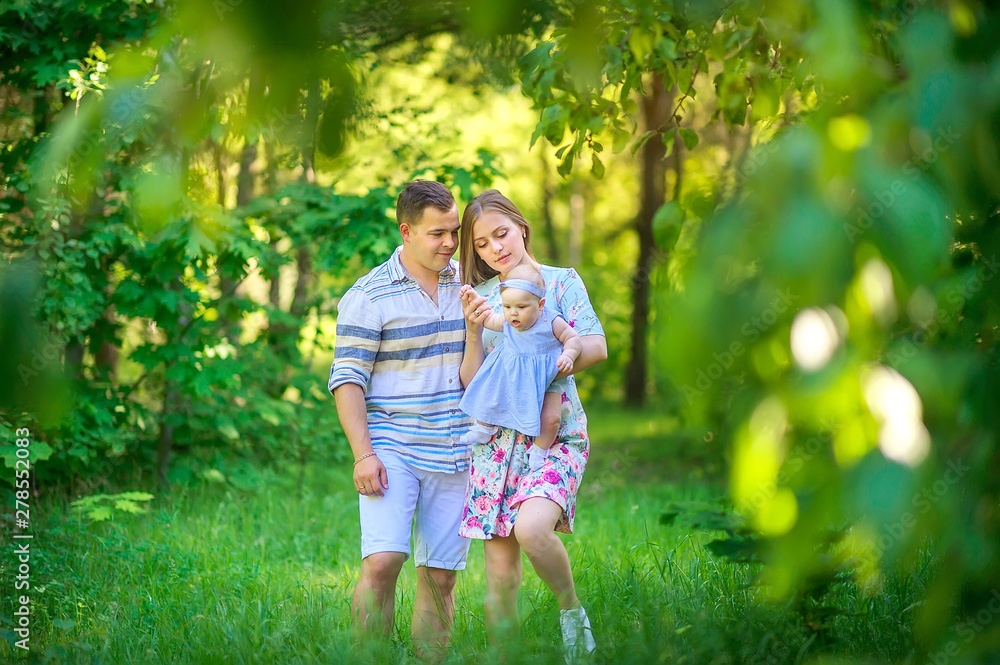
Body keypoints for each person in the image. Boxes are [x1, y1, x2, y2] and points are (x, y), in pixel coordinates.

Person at [457, 189, 607, 660]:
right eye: (482, 244)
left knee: (532, 528)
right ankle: (506, 657)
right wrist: (474, 332)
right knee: (500, 576)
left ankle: (572, 613)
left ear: (521, 227)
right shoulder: (484, 299)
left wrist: (537, 369)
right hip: (497, 446)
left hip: (553, 433)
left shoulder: (560, 283)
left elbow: (595, 346)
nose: (495, 248)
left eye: (501, 234)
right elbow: (473, 381)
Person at [328, 180, 471, 663]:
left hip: (457, 446)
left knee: (441, 575)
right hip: (393, 445)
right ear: (406, 232)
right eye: (437, 234)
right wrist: (363, 455)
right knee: (383, 561)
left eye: (454, 231)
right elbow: (347, 379)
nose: (450, 243)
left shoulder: (470, 282)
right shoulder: (369, 295)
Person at [458, 263, 582, 466]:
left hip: (547, 376)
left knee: (551, 418)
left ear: (540, 304)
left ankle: (540, 450)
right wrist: (472, 299)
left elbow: (573, 338)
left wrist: (568, 355)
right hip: (513, 373)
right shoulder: (507, 322)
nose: (513, 313)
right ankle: (484, 427)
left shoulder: (551, 321)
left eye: (521, 307)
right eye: (507, 307)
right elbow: (487, 319)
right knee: (490, 393)